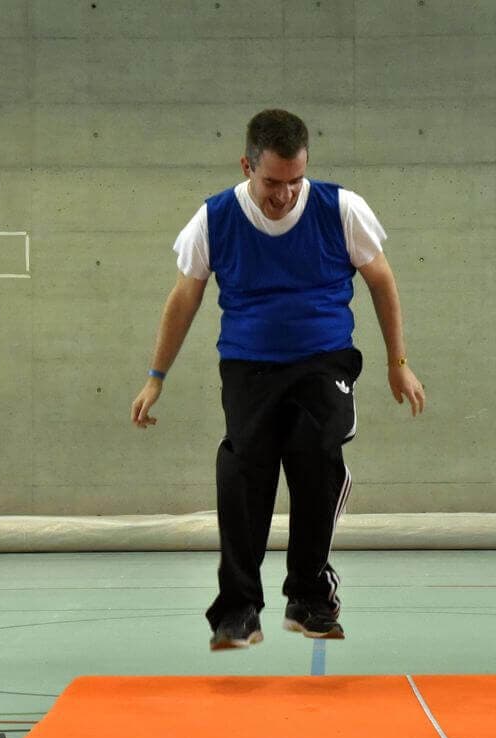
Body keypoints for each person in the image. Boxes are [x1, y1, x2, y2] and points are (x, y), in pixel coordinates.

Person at [131, 109, 425, 651]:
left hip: (324, 361)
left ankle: (310, 596)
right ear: (247, 167)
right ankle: (238, 608)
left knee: (317, 454)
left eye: (296, 181)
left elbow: (382, 281)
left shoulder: (342, 209)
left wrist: (397, 361)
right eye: (272, 183)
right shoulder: (214, 219)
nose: (285, 195)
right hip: (249, 366)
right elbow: (184, 299)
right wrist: (156, 377)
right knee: (243, 473)